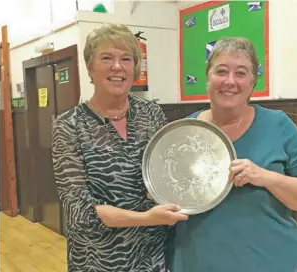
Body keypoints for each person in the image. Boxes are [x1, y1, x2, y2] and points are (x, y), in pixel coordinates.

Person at [168, 37, 297, 272]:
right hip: (195, 263)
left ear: (253, 82)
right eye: (221, 71)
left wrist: (264, 177)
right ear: (207, 77)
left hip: (270, 263)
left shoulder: (278, 125)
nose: (230, 81)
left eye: (241, 73)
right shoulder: (185, 131)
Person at [51, 23, 188, 272]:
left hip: (152, 255)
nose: (117, 66)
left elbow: (167, 174)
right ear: (90, 67)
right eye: (106, 58)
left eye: (126, 58)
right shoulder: (69, 126)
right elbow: (81, 211)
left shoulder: (151, 114)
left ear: (134, 68)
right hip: (98, 258)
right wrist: (147, 219)